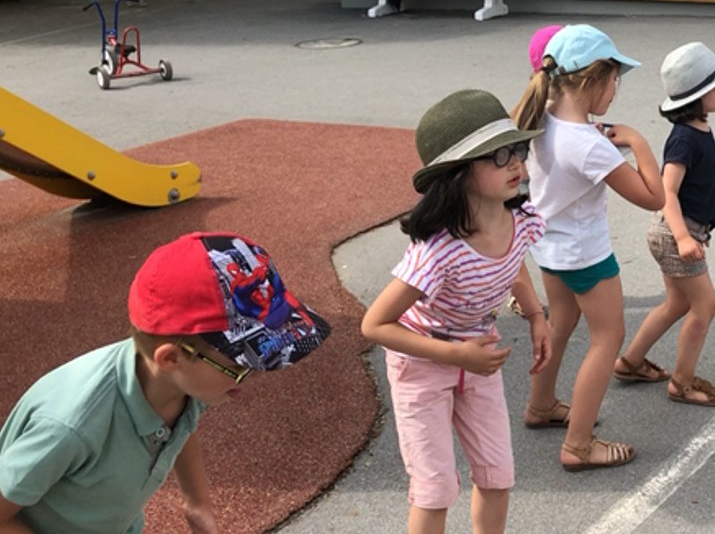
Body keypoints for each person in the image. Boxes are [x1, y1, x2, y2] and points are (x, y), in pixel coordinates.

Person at [0, 232, 331, 534]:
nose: (255, 376)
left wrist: (197, 504)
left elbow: (181, 427)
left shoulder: (185, 381)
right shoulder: (71, 426)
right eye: (241, 365)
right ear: (171, 358)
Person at [360, 90, 551, 534]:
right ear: (458, 174)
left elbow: (513, 260)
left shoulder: (518, 218)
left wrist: (536, 315)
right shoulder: (438, 250)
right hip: (421, 367)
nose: (517, 165)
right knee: (434, 489)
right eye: (499, 156)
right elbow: (374, 324)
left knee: (497, 474)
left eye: (518, 150)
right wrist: (455, 356)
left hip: (476, 359)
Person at [511, 24, 665, 471]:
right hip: (586, 255)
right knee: (608, 339)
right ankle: (579, 445)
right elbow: (652, 197)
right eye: (615, 78)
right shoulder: (590, 146)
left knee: (560, 324)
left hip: (550, 250)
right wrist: (637, 141)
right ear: (594, 78)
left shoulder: (542, 118)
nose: (616, 91)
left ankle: (540, 406)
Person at [616, 42, 715, 408]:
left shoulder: (698, 126)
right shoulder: (684, 138)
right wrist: (683, 237)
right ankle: (682, 383)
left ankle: (630, 362)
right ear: (698, 96)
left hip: (679, 231)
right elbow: (667, 190)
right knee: (705, 305)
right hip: (675, 232)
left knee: (677, 304)